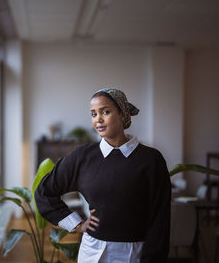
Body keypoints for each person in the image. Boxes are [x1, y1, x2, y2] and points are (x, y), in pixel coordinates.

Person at [35, 88, 171, 263]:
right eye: (93, 114)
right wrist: (76, 223)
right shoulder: (82, 157)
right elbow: (44, 192)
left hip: (135, 252)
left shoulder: (151, 160)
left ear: (122, 115)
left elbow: (160, 217)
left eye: (105, 112)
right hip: (93, 251)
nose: (98, 119)